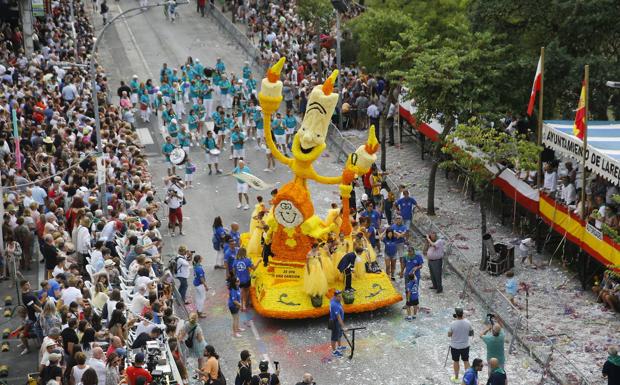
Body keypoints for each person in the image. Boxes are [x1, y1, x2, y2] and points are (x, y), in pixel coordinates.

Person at [449, 307, 474, 383]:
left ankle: (456, 378)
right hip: (465, 346)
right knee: (466, 361)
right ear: (462, 314)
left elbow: (449, 334)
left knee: (456, 361)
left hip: (455, 346)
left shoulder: (453, 324)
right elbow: (471, 333)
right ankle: (469, 378)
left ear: (456, 315)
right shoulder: (468, 322)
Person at [329, 290, 346, 357]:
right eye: (339, 297)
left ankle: (339, 346)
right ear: (335, 297)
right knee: (334, 337)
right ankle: (334, 351)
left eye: (341, 296)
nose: (341, 298)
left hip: (338, 322)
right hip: (335, 322)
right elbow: (338, 317)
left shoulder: (334, 299)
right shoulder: (334, 305)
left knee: (339, 334)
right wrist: (343, 326)